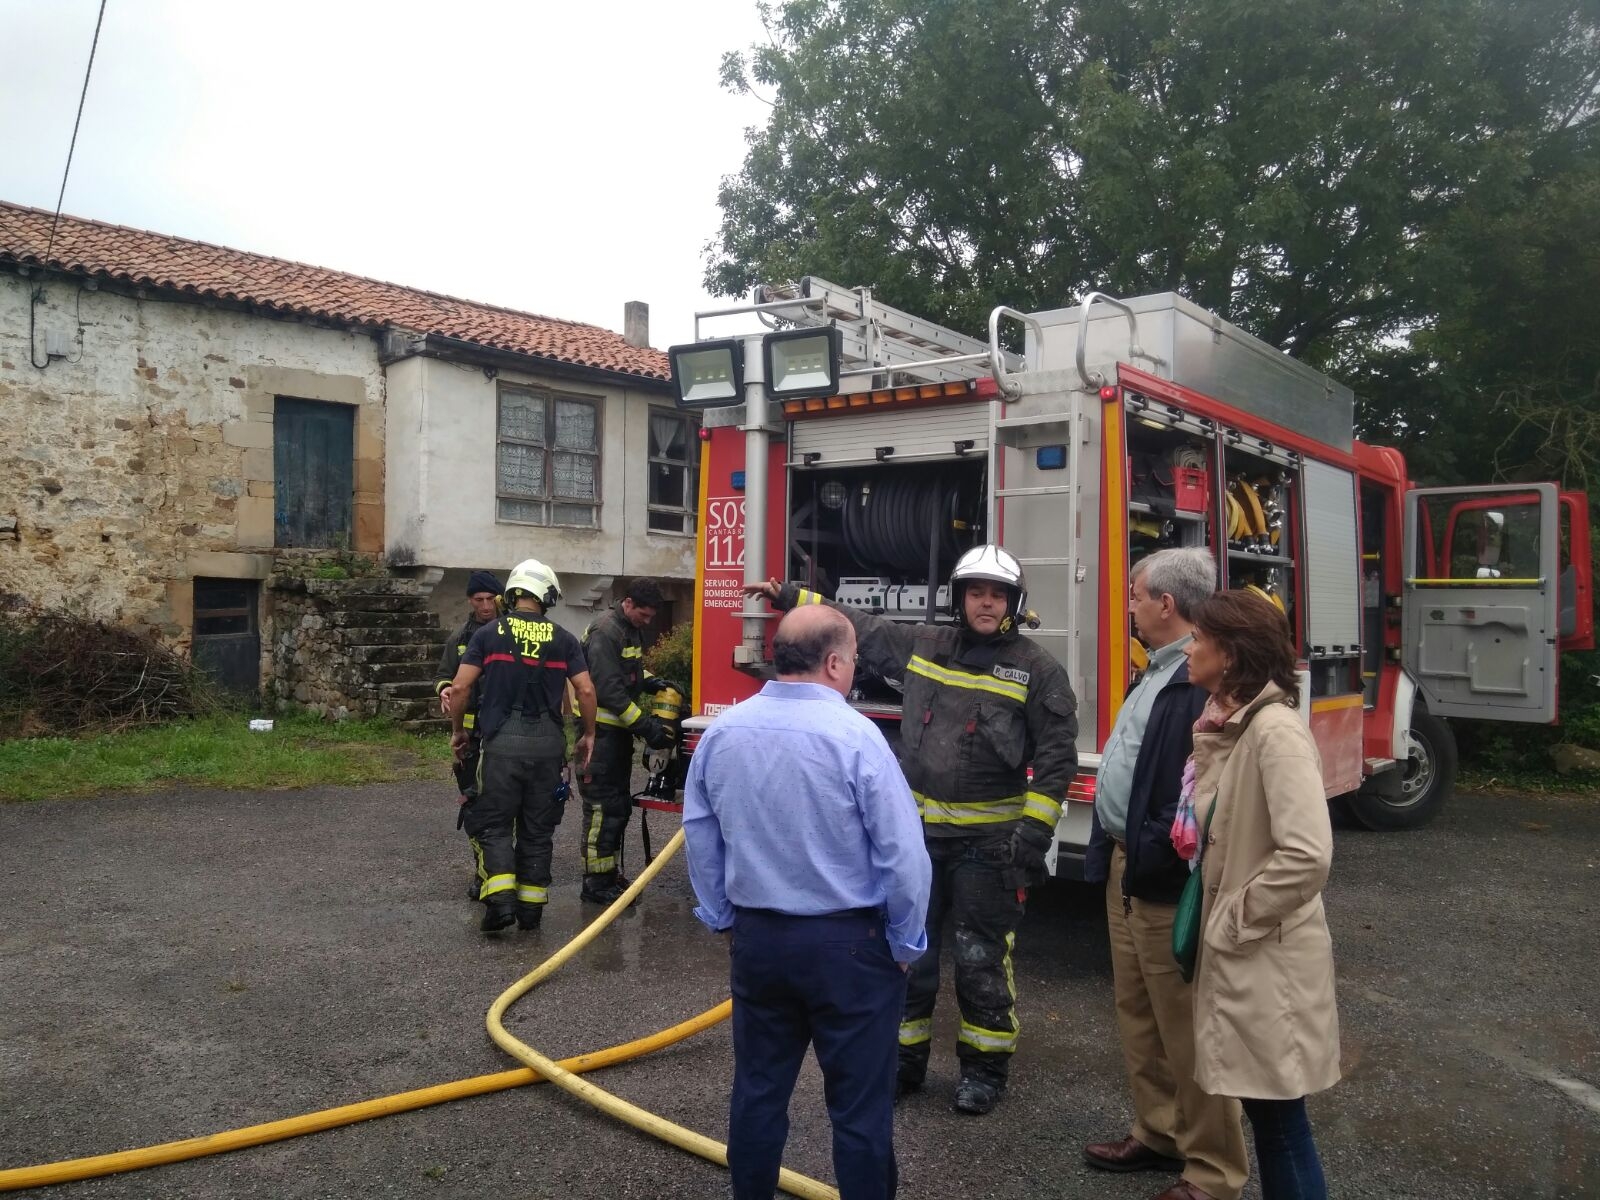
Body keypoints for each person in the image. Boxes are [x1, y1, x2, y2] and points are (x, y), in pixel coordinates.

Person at [744, 544, 1077, 1116]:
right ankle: (905, 1064)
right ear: (959, 598)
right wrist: (793, 598)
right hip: (919, 845)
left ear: (1014, 603)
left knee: (981, 960)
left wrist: (1032, 839)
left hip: (989, 850)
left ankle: (984, 1071)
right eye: (976, 593)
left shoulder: (1037, 669)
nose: (987, 604)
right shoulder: (925, 645)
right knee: (908, 956)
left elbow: (1056, 760)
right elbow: (859, 626)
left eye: (997, 595)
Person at [683, 604, 930, 1200]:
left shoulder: (724, 731)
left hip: (760, 941)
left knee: (758, 1094)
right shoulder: (857, 737)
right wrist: (905, 942)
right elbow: (904, 858)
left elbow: (701, 834)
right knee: (860, 1112)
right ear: (837, 662)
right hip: (851, 949)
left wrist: (721, 916)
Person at [1083, 550, 1248, 1200]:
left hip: (1161, 876)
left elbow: (1194, 792)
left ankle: (1212, 1172)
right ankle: (1158, 1133)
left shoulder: (1199, 680)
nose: (1129, 605)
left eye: (1134, 595)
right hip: (1129, 866)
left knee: (1187, 1028)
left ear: (1167, 606)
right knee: (1139, 1014)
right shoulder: (1154, 672)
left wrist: (1148, 851)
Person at [1178, 589, 1340, 1200]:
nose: (1189, 647)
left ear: (1232, 651)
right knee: (1272, 1119)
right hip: (1255, 962)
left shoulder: (1275, 734)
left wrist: (1230, 921)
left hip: (1266, 962)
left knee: (1281, 1125)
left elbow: (1307, 855)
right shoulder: (1242, 728)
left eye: (1199, 638)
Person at [447, 559, 596, 934]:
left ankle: (500, 905)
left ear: (512, 593)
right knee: (537, 830)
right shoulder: (563, 638)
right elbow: (586, 690)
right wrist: (588, 734)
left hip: (500, 748)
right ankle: (531, 912)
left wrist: (458, 731)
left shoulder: (488, 635)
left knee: (495, 826)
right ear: (546, 595)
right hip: (548, 749)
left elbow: (461, 688)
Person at [578, 577, 677, 904]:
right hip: (600, 737)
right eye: (644, 616)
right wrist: (647, 727)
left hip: (616, 739)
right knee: (602, 810)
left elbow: (629, 671)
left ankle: (608, 875)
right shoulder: (606, 631)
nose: (647, 623)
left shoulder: (627, 629)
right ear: (629, 603)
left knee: (617, 808)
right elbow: (610, 692)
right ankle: (594, 882)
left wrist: (652, 682)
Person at [437, 569, 502, 902]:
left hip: (505, 732)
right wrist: (446, 690)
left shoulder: (510, 633)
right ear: (470, 600)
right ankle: (483, 873)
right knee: (474, 805)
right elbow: (445, 677)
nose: (487, 606)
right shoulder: (460, 637)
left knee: (507, 806)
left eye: (492, 599)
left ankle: (506, 874)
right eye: (480, 600)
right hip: (471, 737)